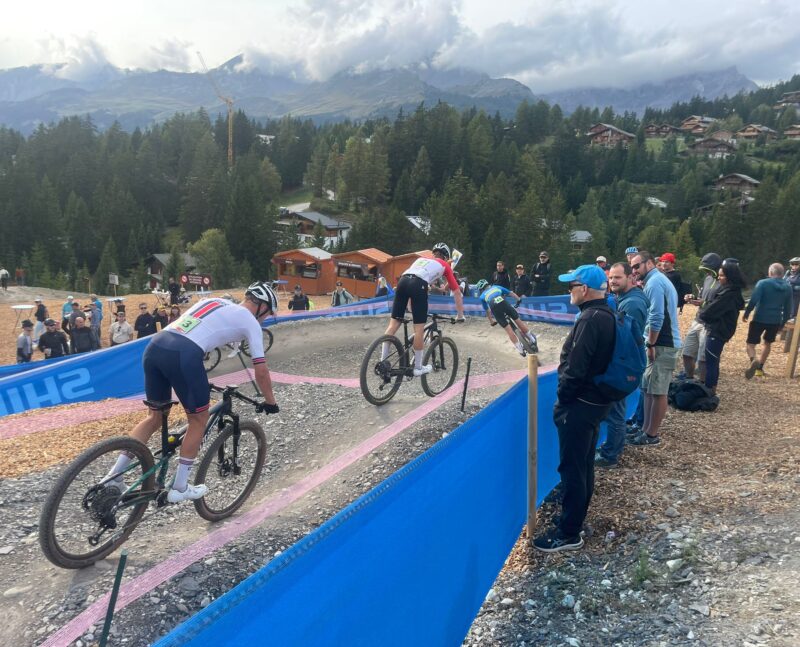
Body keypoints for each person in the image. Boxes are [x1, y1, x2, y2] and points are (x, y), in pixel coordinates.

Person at [105, 282, 280, 504]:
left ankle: (114, 476)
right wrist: (270, 401)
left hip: (155, 347)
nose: (265, 320)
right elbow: (261, 371)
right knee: (198, 420)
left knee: (154, 417)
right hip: (183, 355)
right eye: (268, 314)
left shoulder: (214, 302)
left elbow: (201, 330)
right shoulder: (250, 322)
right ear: (262, 306)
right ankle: (179, 487)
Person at [533, 265, 615, 553]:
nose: (569, 290)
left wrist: (563, 400)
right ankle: (574, 519)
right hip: (594, 403)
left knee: (572, 468)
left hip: (579, 406)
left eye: (572, 286)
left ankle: (568, 533)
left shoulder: (591, 319)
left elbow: (576, 369)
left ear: (585, 289)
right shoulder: (604, 314)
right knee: (583, 465)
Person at [595, 263, 649, 468]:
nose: (613, 281)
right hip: (623, 363)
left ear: (630, 278)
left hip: (622, 365)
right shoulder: (624, 299)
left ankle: (610, 455)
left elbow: (625, 337)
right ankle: (610, 447)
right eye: (611, 278)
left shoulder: (632, 303)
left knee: (616, 410)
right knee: (615, 409)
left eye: (618, 277)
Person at [382, 243, 465, 376]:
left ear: (434, 254)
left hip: (403, 282)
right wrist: (460, 315)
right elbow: (456, 292)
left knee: (393, 325)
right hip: (418, 285)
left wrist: (410, 305)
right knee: (419, 329)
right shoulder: (445, 266)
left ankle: (383, 362)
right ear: (445, 257)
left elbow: (412, 280)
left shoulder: (421, 260)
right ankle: (418, 368)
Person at [628, 251, 682, 446]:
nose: (634, 271)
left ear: (649, 263)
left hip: (663, 344)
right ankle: (645, 430)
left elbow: (657, 316)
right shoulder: (655, 280)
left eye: (636, 266)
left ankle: (651, 435)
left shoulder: (655, 282)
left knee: (658, 390)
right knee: (650, 388)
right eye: (632, 267)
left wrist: (651, 343)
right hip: (659, 342)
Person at [699, 259, 746, 394]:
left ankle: (709, 390)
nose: (718, 278)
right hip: (722, 331)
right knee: (713, 360)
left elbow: (709, 312)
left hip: (717, 331)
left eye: (722, 276)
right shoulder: (734, 293)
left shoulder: (728, 295)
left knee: (711, 362)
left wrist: (704, 311)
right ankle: (711, 388)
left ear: (730, 277)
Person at [743, 263, 793, 378]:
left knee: (750, 344)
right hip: (775, 320)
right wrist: (783, 323)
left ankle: (753, 360)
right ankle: (760, 369)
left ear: (770, 273)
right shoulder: (788, 287)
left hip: (759, 318)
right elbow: (788, 308)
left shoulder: (763, 283)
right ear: (782, 274)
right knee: (767, 343)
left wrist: (747, 312)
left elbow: (754, 299)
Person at [681, 253, 722, 380]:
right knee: (687, 353)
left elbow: (721, 304)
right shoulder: (708, 278)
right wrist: (692, 298)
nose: (707, 273)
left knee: (703, 358)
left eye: (708, 270)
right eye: (705, 270)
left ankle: (702, 385)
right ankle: (689, 379)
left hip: (710, 324)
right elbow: (703, 298)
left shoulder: (723, 282)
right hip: (698, 320)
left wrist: (703, 303)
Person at [475, 279, 537, 356]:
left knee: (508, 330)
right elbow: (511, 293)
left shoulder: (481, 296)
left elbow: (487, 311)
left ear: (481, 289)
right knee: (518, 321)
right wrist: (518, 299)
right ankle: (532, 339)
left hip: (494, 306)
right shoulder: (496, 286)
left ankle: (520, 349)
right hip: (503, 302)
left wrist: (491, 321)